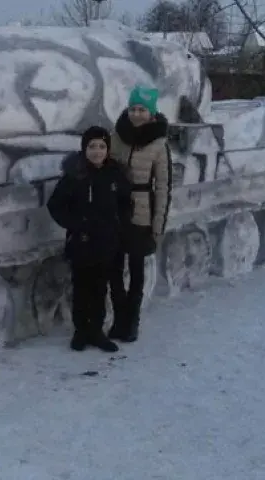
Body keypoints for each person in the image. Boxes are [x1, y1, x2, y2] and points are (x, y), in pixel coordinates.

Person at [47, 126, 132, 352]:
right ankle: (80, 331)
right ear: (84, 149)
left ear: (108, 149)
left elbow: (126, 203)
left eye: (102, 146)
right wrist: (76, 224)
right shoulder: (75, 175)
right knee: (81, 288)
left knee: (99, 288)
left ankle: (96, 331)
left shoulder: (115, 174)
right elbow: (55, 205)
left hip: (107, 243)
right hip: (81, 242)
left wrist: (120, 226)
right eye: (92, 147)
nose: (97, 151)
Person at [107, 84, 173, 343]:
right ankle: (118, 318)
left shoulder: (159, 144)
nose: (136, 114)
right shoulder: (116, 136)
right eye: (133, 108)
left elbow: (164, 188)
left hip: (142, 214)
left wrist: (158, 226)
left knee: (135, 271)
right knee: (113, 270)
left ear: (151, 113)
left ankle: (131, 320)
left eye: (142, 109)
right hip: (115, 211)